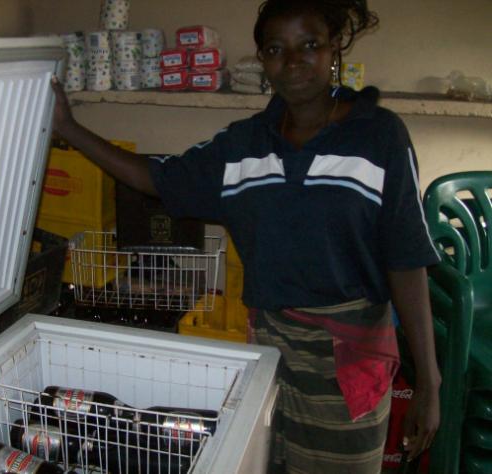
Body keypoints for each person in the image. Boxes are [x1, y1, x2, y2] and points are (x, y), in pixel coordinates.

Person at [50, 0, 441, 472]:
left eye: (309, 45)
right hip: (268, 356)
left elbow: (406, 260)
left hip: (346, 365)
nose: (292, 61)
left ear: (334, 48)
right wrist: (69, 128)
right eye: (276, 49)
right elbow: (156, 177)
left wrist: (429, 383)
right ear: (262, 59)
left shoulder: (378, 137)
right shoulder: (243, 145)